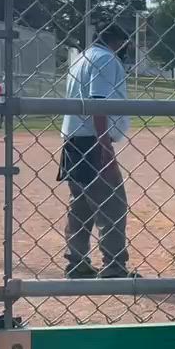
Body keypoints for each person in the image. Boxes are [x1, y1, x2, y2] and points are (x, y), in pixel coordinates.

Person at [57, 25, 136, 279]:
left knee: (81, 205)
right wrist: (104, 144)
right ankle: (114, 266)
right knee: (113, 204)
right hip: (92, 139)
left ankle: (77, 261)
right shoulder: (105, 59)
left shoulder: (82, 57)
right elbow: (97, 101)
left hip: (73, 138)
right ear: (119, 42)